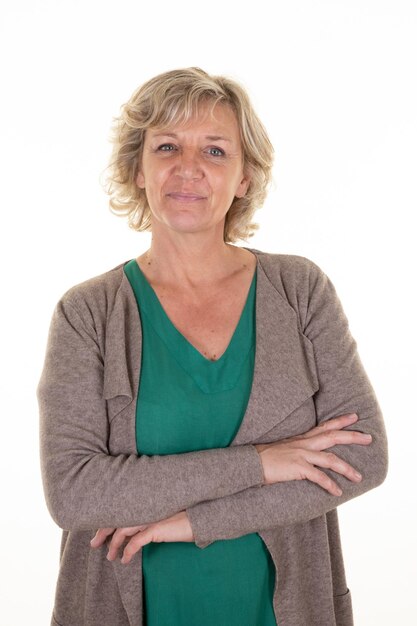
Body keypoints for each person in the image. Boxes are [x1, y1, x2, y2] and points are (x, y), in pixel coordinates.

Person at [38, 67, 388, 626]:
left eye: (216, 151)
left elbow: (361, 459)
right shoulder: (88, 313)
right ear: (138, 168)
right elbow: (75, 494)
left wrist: (189, 523)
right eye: (167, 146)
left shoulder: (299, 291)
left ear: (245, 177)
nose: (188, 169)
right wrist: (262, 463)